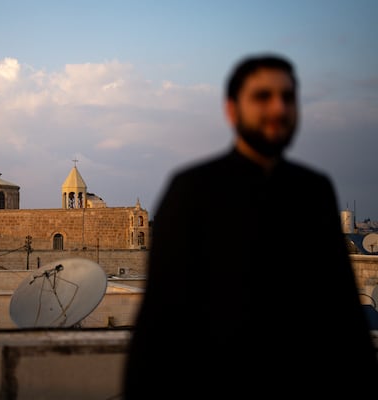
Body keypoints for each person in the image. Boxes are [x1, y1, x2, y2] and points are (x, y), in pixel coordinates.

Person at [123, 54, 378, 397]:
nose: (278, 108)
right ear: (232, 109)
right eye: (262, 97)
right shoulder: (192, 190)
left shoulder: (312, 191)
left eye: (287, 97)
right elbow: (160, 319)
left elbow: (341, 313)